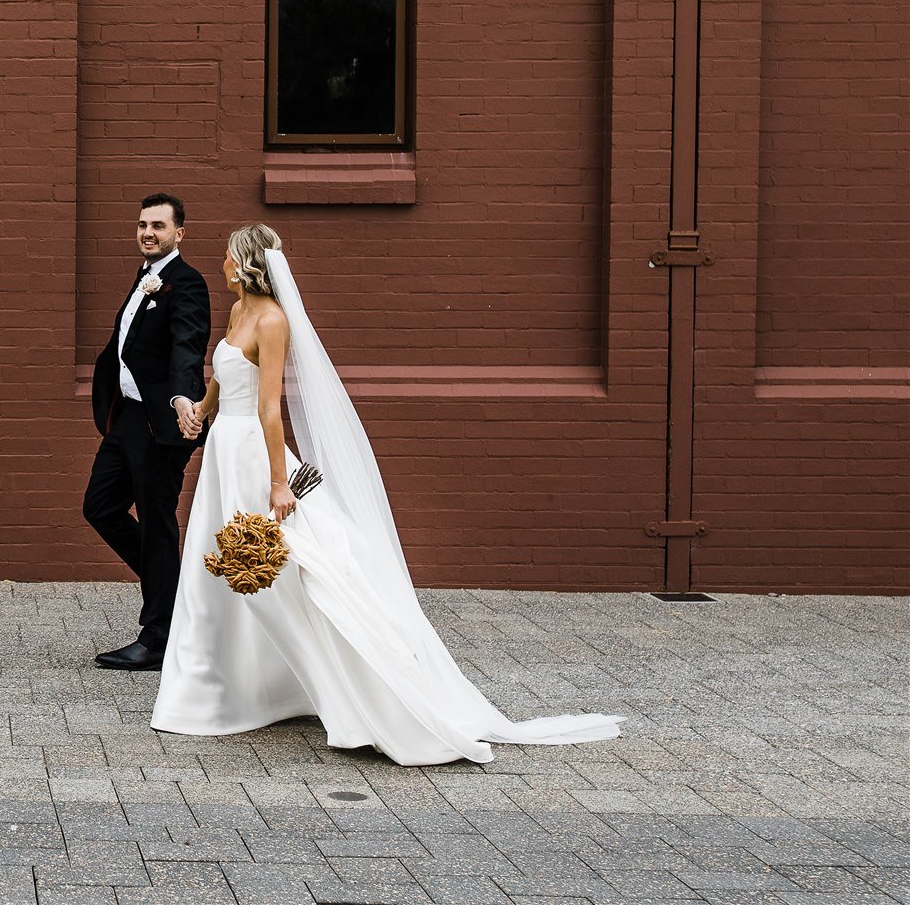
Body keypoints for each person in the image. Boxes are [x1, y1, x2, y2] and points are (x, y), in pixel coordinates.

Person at [150, 224, 623, 765]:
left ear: (250, 263)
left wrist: (280, 481)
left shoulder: (273, 320)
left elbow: (269, 408)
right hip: (222, 450)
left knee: (287, 569)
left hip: (253, 455)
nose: (224, 264)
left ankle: (356, 688)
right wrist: (199, 408)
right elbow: (225, 377)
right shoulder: (236, 313)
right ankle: (225, 688)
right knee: (223, 565)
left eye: (231, 257)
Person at [83, 193, 212, 671]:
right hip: (128, 418)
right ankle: (175, 598)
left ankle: (159, 637)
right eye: (142, 225)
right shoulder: (145, 277)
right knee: (99, 507)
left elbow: (187, 345)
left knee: (158, 523)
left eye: (158, 225)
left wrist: (183, 398)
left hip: (162, 422)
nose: (147, 233)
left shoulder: (187, 283)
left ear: (180, 233)